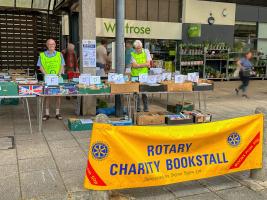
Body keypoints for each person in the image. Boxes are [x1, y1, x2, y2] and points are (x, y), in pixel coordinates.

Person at [37, 39, 65, 120]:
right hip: (47, 78)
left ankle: (57, 113)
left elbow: (62, 65)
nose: (51, 46)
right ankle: (47, 113)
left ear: (55, 45)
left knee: (58, 96)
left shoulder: (60, 55)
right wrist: (46, 74)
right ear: (47, 45)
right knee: (47, 96)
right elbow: (40, 66)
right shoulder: (42, 55)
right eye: (49, 44)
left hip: (58, 78)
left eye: (53, 44)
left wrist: (59, 73)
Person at [131, 40, 152, 112]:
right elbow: (134, 65)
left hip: (143, 75)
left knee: (144, 92)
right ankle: (137, 108)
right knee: (136, 92)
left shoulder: (146, 51)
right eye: (136, 48)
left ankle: (146, 108)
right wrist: (143, 64)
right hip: (134, 75)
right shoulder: (132, 53)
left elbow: (148, 64)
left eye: (139, 48)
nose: (138, 50)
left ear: (141, 47)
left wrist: (138, 65)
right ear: (134, 48)